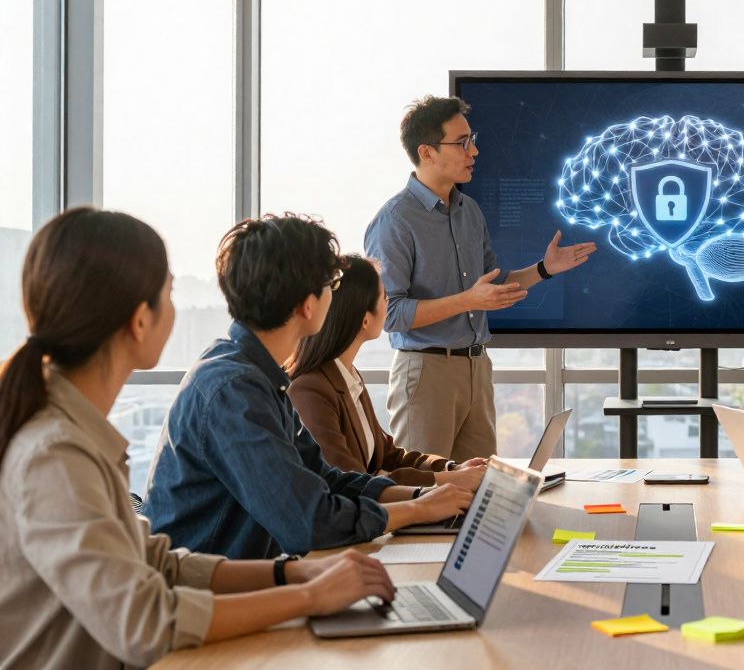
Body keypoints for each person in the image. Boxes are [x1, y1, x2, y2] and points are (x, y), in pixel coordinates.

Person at [0, 208, 397, 669]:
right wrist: (309, 596)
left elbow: (161, 565)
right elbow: (147, 623)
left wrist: (291, 572)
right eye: (168, 293)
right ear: (139, 321)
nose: (177, 307)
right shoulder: (54, 456)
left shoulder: (73, 437)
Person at [145, 214, 473, 560]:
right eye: (331, 285)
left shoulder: (255, 374)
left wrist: (424, 496)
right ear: (307, 304)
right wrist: (419, 509)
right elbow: (309, 522)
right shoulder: (236, 390)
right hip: (211, 596)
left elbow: (327, 480)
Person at [364, 96, 597, 461]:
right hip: (426, 372)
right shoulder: (395, 220)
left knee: (477, 489)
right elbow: (390, 314)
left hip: (476, 367)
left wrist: (544, 269)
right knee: (426, 489)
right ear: (426, 152)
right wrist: (467, 301)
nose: (473, 151)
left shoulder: (469, 211)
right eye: (461, 142)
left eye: (472, 139)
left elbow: (492, 286)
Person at [287, 254, 488, 488]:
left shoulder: (347, 376)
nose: (389, 304)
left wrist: (452, 468)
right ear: (364, 320)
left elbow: (389, 456)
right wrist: (449, 480)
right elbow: (350, 482)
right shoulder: (310, 389)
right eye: (385, 297)